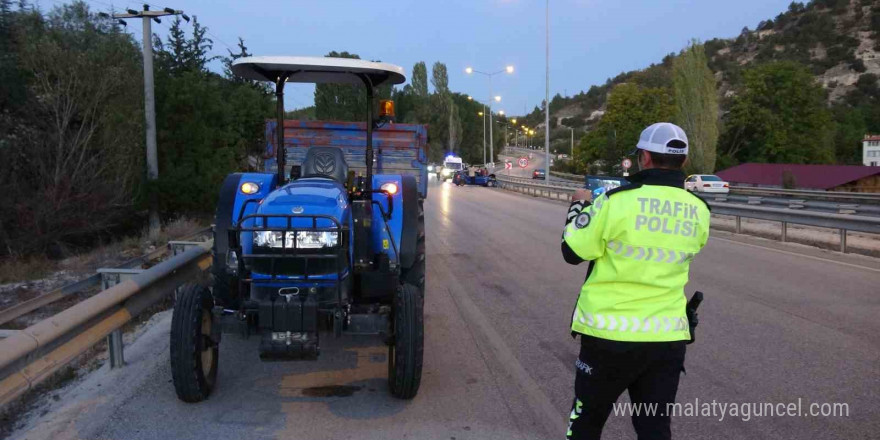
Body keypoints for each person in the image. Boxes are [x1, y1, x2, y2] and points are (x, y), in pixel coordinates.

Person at [561, 122, 711, 440]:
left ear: (643, 157)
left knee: (585, 424)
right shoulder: (699, 210)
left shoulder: (615, 201)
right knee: (654, 428)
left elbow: (572, 252)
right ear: (683, 162)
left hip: (607, 336)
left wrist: (578, 206)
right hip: (666, 340)